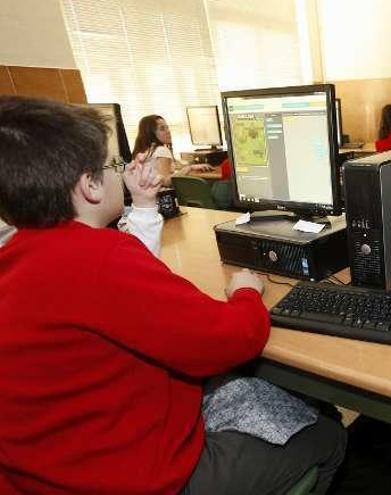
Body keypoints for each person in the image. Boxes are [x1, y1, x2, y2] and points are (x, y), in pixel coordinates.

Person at [0, 96, 346, 495]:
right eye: (112, 166)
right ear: (89, 185)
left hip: (47, 474)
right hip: (141, 481)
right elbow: (229, 340)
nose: (120, 174)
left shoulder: (17, 258)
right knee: (326, 435)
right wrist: (247, 294)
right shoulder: (98, 257)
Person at [132, 114, 212, 187]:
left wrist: (183, 166)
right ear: (151, 134)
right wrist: (189, 168)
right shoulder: (161, 151)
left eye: (167, 127)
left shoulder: (143, 152)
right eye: (162, 129)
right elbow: (166, 181)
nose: (168, 131)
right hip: (163, 200)